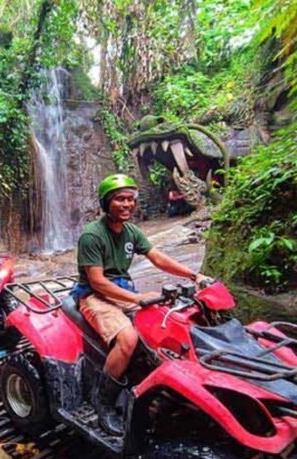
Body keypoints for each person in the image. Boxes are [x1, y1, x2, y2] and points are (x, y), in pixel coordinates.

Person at [71, 174, 210, 435]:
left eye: (130, 199)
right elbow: (98, 282)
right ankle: (105, 402)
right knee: (127, 338)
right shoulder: (92, 235)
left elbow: (157, 258)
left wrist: (194, 276)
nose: (127, 204)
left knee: (163, 323)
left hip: (123, 290)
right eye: (119, 199)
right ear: (106, 203)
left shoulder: (131, 231)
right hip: (94, 295)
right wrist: (136, 299)